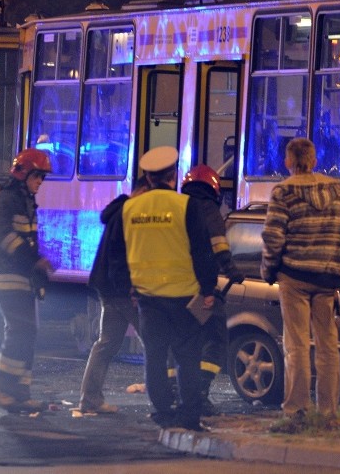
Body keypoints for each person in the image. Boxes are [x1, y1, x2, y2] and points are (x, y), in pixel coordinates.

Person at [105, 146, 219, 431]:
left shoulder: (129, 209)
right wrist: (208, 289)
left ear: (147, 176)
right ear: (173, 175)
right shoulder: (186, 206)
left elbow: (116, 255)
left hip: (147, 298)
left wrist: (125, 288)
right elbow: (202, 250)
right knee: (187, 357)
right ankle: (190, 414)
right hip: (183, 296)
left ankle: (163, 411)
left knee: (154, 357)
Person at [261, 138, 340, 432]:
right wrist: (331, 253)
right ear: (315, 160)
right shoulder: (337, 190)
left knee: (297, 344)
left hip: (294, 277)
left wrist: (269, 269)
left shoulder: (283, 192)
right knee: (329, 346)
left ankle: (296, 410)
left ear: (288, 161)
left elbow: (274, 237)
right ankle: (329, 411)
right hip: (328, 278)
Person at [0, 148, 54, 413]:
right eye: (37, 177)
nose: (40, 183)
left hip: (22, 277)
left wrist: (36, 269)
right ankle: (0, 387)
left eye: (42, 178)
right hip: (7, 277)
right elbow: (7, 238)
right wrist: (34, 261)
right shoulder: (5, 201)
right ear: (23, 174)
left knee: (29, 332)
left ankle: (20, 392)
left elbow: (27, 241)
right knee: (20, 331)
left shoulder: (25, 200)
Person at [78, 176, 149, 414]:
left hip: (108, 288)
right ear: (142, 190)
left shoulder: (117, 210)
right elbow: (121, 255)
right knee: (154, 340)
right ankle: (165, 396)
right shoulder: (129, 213)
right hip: (121, 290)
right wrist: (129, 288)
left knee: (107, 343)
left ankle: (90, 399)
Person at [179, 164, 244, 416]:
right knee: (216, 338)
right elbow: (217, 246)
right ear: (214, 189)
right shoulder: (208, 209)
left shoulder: (179, 207)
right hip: (201, 286)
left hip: (177, 286)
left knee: (183, 339)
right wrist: (231, 269)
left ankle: (178, 390)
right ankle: (201, 392)